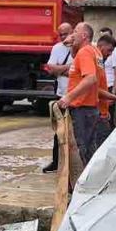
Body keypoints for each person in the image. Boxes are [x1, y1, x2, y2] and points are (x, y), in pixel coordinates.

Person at [58, 22, 103, 164]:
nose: (71, 35)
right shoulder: (94, 51)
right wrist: (71, 43)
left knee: (80, 150)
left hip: (81, 109)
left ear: (84, 35)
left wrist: (68, 97)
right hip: (90, 108)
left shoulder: (84, 53)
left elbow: (90, 78)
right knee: (89, 148)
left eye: (75, 31)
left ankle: (81, 182)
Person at [41, 23, 75, 173]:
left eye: (65, 34)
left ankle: (74, 163)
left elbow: (78, 71)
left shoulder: (80, 47)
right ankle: (56, 162)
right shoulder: (57, 48)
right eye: (60, 35)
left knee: (75, 131)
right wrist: (69, 69)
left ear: (72, 32)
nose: (63, 38)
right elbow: (50, 69)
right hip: (61, 94)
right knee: (59, 130)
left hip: (77, 96)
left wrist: (60, 70)